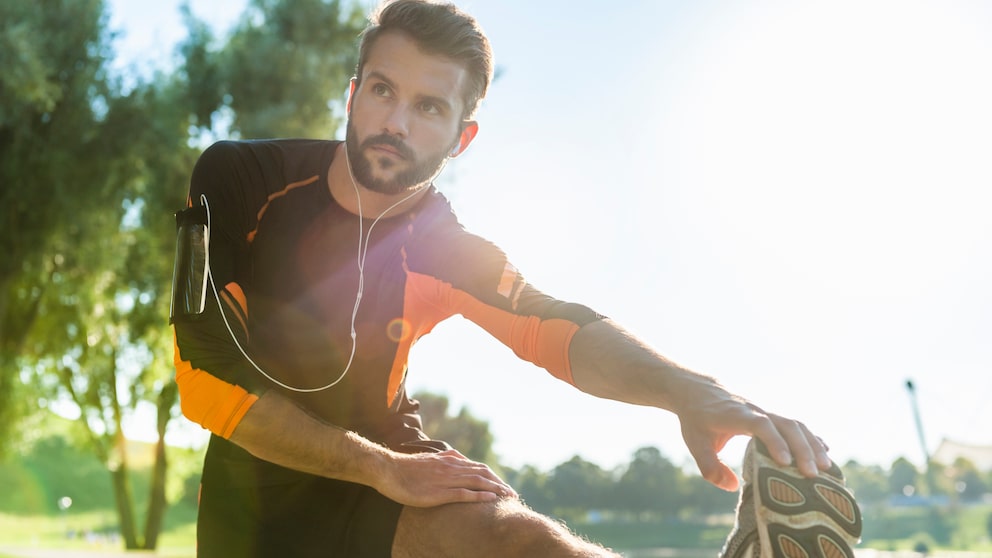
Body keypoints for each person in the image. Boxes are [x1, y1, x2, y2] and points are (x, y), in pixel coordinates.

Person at [170, 1, 862, 556]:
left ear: (461, 137)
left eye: (430, 107)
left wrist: (693, 393)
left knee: (522, 540)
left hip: (399, 480)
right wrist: (383, 467)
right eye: (382, 90)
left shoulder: (439, 245)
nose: (395, 122)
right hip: (258, 508)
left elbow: (552, 325)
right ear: (353, 95)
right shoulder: (238, 180)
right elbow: (204, 383)